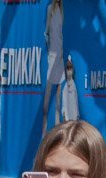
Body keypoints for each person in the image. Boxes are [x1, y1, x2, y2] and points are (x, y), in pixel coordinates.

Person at [41, 0, 65, 135]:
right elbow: (46, 32)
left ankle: (57, 136)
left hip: (60, 56)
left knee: (57, 104)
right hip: (52, 56)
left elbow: (64, 32)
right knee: (46, 105)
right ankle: (43, 136)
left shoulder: (63, 9)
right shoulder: (50, 8)